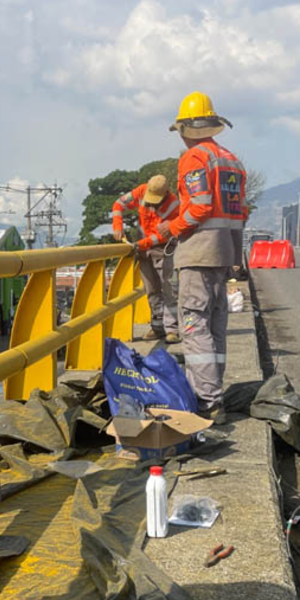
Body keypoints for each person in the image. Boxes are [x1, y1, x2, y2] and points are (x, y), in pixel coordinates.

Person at [166, 91, 247, 423]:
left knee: (194, 326)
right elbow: (239, 213)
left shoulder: (194, 158)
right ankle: (216, 397)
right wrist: (237, 257)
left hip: (198, 254)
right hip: (224, 252)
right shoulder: (231, 160)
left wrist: (172, 228)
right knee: (215, 328)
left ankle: (208, 402)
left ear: (186, 130)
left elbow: (198, 205)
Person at [111, 174, 182, 344]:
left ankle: (172, 329)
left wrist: (143, 243)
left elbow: (164, 235)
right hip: (144, 251)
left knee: (169, 290)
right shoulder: (142, 191)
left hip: (163, 249)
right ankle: (157, 327)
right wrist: (117, 225)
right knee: (151, 290)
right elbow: (119, 204)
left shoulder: (174, 205)